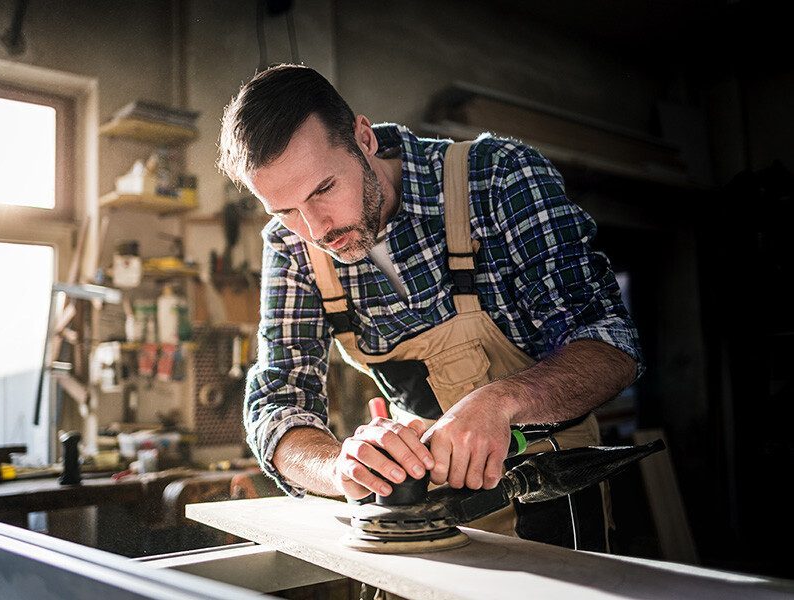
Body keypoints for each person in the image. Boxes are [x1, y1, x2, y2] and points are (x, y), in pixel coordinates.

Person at [217, 64, 642, 551]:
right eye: (285, 210)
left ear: (364, 138)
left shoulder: (500, 178)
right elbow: (277, 405)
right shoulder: (292, 248)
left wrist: (501, 402)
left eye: (323, 190)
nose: (315, 229)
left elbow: (610, 345)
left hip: (550, 490)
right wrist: (340, 466)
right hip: (419, 514)